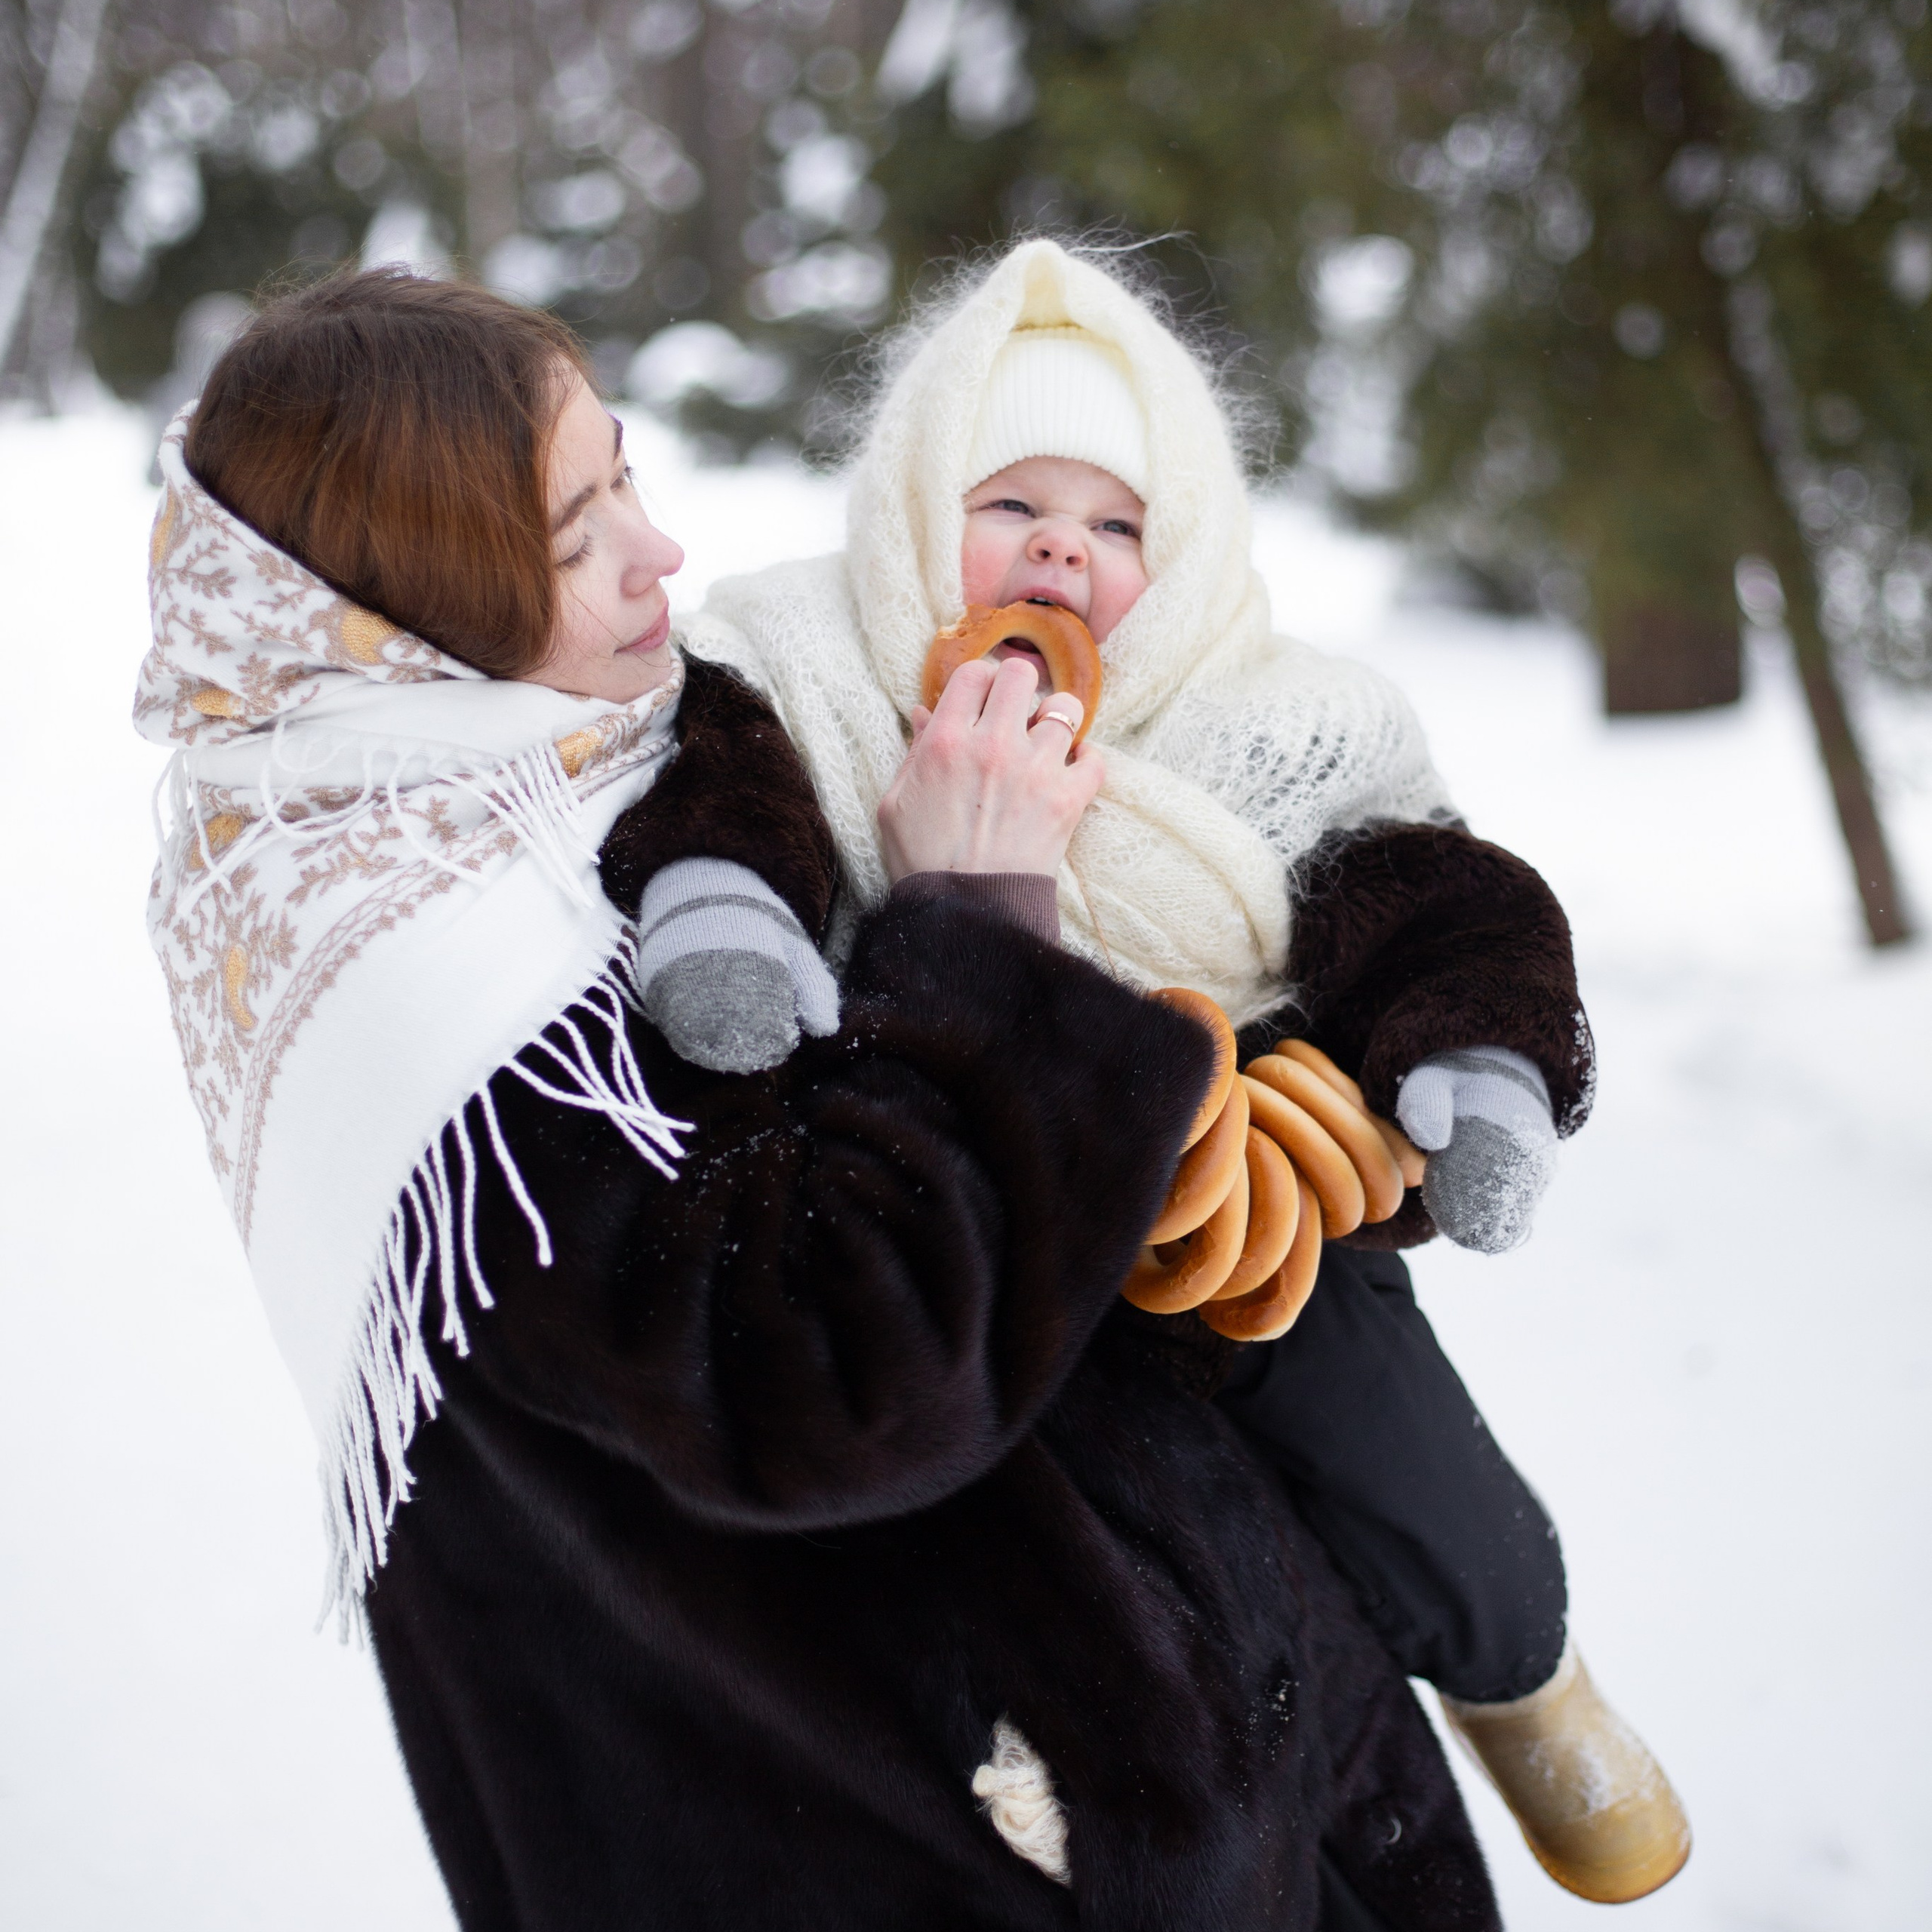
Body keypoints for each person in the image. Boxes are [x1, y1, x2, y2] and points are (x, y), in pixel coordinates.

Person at [137, 268, 1503, 1930]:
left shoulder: (569, 765)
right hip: (932, 1843)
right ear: (406, 606)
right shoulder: (427, 971)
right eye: (570, 537)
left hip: (1186, 1749)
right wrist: (976, 918)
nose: (659, 553)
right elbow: (836, 1376)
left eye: (625, 473)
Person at [682, 237, 1690, 1906]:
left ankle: (1529, 1684)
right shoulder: (800, 674)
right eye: (1010, 503)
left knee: (1434, 1491)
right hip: (980, 1228)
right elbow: (720, 808)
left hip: (1251, 1218)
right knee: (1045, 1559)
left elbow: (1436, 894)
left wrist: (1483, 1051)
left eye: (1118, 524)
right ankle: (1057, 1762)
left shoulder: (1276, 719)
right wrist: (726, 916)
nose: (1060, 548)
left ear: (1192, 549)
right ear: (913, 512)